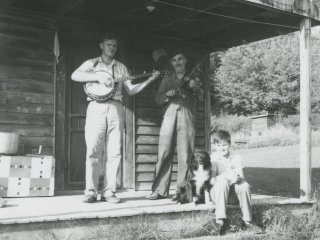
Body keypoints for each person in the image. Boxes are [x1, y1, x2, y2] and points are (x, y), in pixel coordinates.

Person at [71, 32, 160, 204]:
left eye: (114, 45)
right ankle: (90, 191)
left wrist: (149, 80)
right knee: (93, 150)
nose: (112, 48)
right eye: (109, 44)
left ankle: (109, 192)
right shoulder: (92, 63)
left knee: (114, 152)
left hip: (116, 108)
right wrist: (98, 76)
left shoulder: (121, 67)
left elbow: (131, 90)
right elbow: (75, 75)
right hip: (95, 106)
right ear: (101, 46)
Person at [146, 49, 204, 200]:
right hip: (169, 116)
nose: (177, 62)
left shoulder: (194, 77)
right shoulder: (167, 78)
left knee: (185, 155)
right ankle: (159, 190)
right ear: (171, 62)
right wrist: (166, 95)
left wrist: (195, 87)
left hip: (187, 115)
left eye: (180, 59)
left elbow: (202, 96)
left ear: (184, 60)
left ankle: (182, 192)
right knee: (164, 152)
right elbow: (158, 99)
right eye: (174, 60)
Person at [210, 130, 253, 234]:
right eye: (218, 145)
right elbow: (211, 181)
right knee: (223, 182)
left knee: (245, 185)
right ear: (215, 146)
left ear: (229, 144)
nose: (221, 148)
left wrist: (237, 179)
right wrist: (226, 177)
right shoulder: (213, 158)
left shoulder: (236, 157)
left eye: (224, 145)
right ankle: (219, 222)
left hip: (232, 196)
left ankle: (248, 222)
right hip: (218, 194)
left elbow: (242, 178)